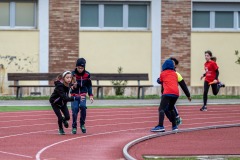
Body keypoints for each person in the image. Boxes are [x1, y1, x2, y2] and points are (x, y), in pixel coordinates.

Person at [158, 57, 191, 126]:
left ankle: (176, 118)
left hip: (170, 93)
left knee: (169, 108)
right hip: (166, 93)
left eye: (173, 63)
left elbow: (183, 85)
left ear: (175, 65)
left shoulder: (176, 74)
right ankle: (173, 121)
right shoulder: (164, 72)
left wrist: (188, 95)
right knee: (165, 109)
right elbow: (160, 81)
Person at [151, 59, 181, 132]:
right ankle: (174, 126)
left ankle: (161, 126)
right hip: (176, 93)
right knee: (171, 109)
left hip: (167, 93)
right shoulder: (175, 73)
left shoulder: (163, 73)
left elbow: (159, 81)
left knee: (161, 109)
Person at [49, 71, 80, 135]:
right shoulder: (59, 86)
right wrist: (75, 98)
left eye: (70, 77)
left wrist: (74, 85)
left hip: (63, 103)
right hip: (55, 103)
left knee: (68, 117)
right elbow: (64, 97)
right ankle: (61, 129)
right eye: (67, 77)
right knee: (59, 117)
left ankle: (64, 119)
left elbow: (72, 85)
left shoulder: (68, 84)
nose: (69, 79)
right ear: (63, 78)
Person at [71, 58, 94, 134]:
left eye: (82, 68)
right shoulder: (72, 74)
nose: (80, 69)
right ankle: (74, 126)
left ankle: (82, 124)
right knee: (75, 109)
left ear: (84, 67)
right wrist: (72, 86)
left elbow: (89, 85)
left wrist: (90, 95)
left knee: (83, 107)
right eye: (79, 68)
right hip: (74, 94)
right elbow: (68, 83)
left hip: (83, 94)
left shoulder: (87, 74)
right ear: (76, 67)